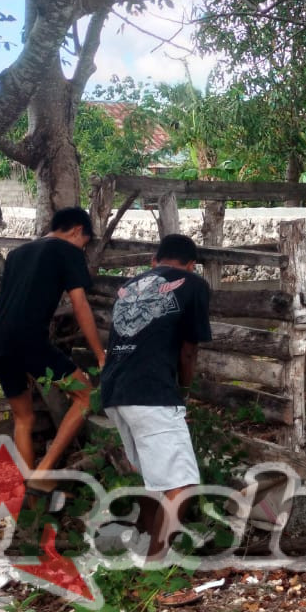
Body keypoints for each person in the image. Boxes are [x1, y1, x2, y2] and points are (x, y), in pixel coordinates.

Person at [99, 233, 212, 571]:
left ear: (154, 261)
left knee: (156, 480)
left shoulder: (130, 285)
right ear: (191, 265)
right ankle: (154, 567)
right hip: (150, 392)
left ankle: (142, 546)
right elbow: (188, 350)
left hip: (114, 391)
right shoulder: (193, 283)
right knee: (182, 484)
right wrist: (184, 393)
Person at [0, 206, 107, 494]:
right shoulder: (68, 251)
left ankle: (29, 502)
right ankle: (44, 470)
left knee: (23, 419)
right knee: (86, 395)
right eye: (84, 243)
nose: (82, 249)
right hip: (29, 341)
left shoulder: (18, 254)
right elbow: (80, 304)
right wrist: (100, 354)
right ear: (77, 230)